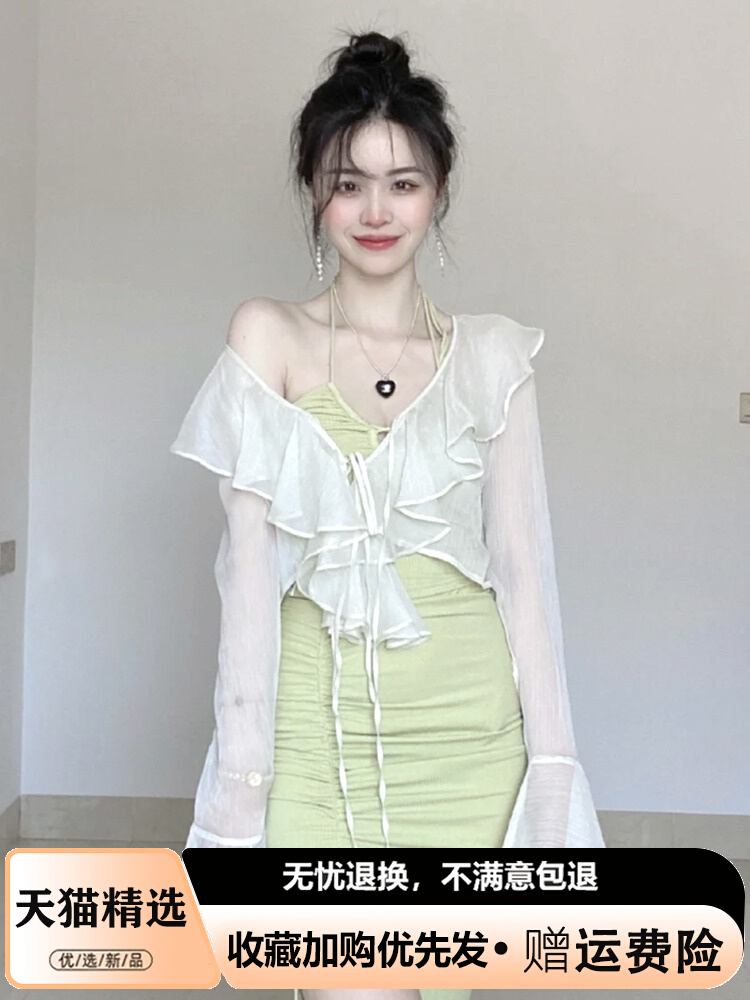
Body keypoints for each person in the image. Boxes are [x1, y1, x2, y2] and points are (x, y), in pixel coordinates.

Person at [170, 28, 605, 855]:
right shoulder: (267, 336)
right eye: (349, 185)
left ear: (437, 192)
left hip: (474, 742)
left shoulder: (494, 358)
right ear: (314, 192)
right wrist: (240, 787)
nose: (376, 213)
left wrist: (553, 772)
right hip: (314, 747)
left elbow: (525, 575)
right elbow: (248, 587)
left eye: (403, 184)